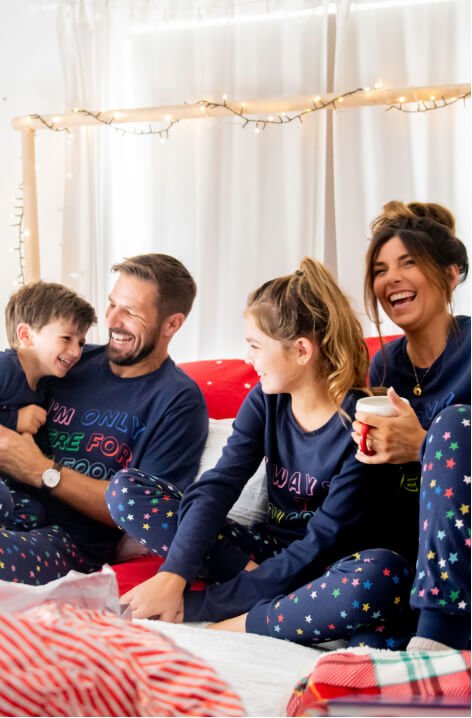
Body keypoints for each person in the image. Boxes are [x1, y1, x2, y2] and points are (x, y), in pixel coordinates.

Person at [108, 257, 413, 648]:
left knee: (381, 576)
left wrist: (199, 605)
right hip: (262, 552)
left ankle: (252, 618)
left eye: (255, 346)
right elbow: (217, 486)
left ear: (302, 350)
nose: (249, 358)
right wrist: (174, 573)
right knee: (125, 490)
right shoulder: (266, 401)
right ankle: (282, 602)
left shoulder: (361, 425)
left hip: (328, 567)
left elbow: (322, 541)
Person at [0, 254, 208, 584]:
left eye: (131, 312)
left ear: (172, 324)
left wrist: (41, 471)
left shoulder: (178, 401)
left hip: (68, 543)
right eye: (112, 304)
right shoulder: (68, 361)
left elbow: (145, 513)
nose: (112, 319)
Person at [352, 201, 470, 651]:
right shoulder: (383, 366)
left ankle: (446, 629)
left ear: (451, 274)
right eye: (381, 269)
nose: (390, 279)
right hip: (407, 560)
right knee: (364, 642)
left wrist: (423, 445)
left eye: (409, 263)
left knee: (456, 423)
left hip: (462, 573)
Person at [0, 280, 96, 527]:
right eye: (66, 338)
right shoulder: (6, 368)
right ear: (26, 335)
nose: (76, 352)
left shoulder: (44, 386)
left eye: (81, 342)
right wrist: (14, 419)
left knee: (35, 513)